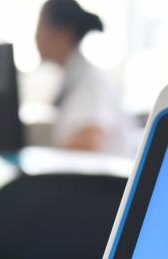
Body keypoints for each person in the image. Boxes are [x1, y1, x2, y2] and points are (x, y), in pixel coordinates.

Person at [34, 0, 128, 155]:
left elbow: (90, 142)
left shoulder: (92, 81)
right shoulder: (74, 78)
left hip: (103, 177)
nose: (36, 37)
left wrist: (42, 155)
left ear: (64, 34)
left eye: (40, 28)